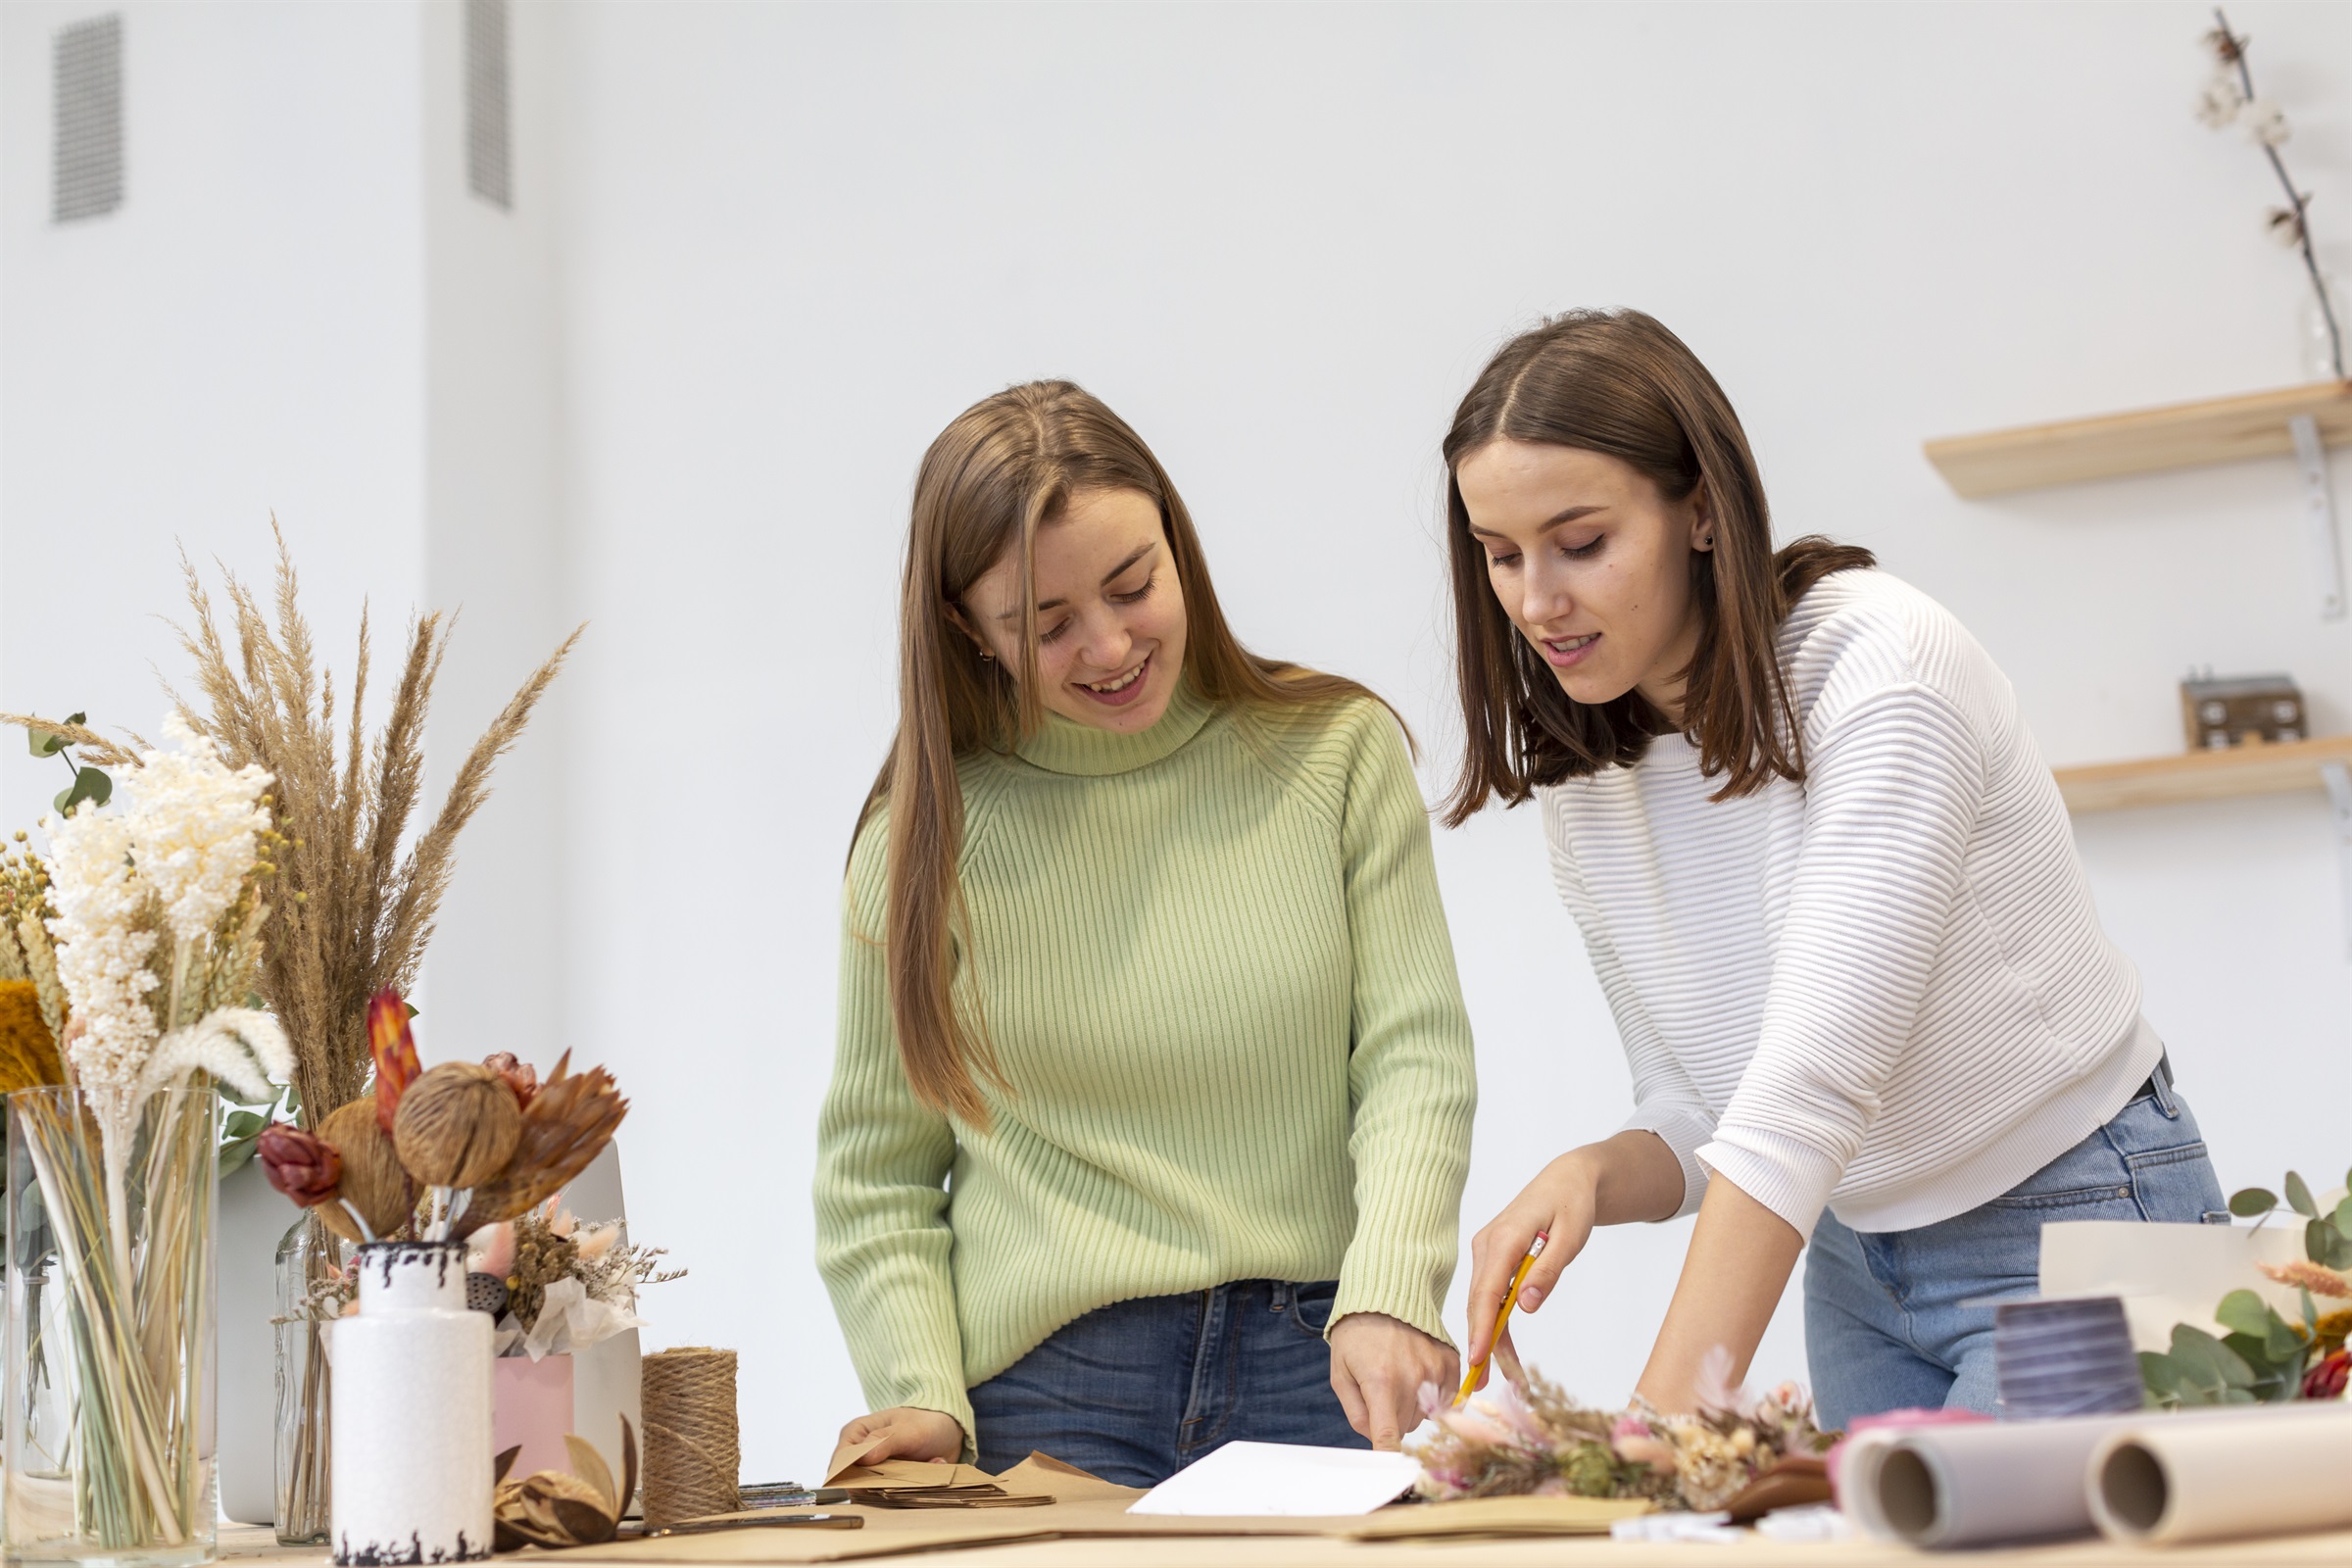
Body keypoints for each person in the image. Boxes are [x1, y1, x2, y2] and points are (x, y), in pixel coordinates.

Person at [1442, 311, 2225, 1429]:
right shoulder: (1591, 781)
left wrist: (1652, 1435)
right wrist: (1595, 1174)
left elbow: (1807, 1095)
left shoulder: (1881, 670)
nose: (1534, 601)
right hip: (1859, 1265)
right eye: (1500, 553)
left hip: (2074, 1221)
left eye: (1581, 542)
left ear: (1701, 510)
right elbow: (1704, 1107)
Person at [814, 381, 1477, 1485]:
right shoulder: (921, 843)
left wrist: (1394, 1289)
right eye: (1047, 623)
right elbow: (875, 1175)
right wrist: (920, 1391)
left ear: (1179, 544)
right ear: (967, 631)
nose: (1111, 644)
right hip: (1047, 1390)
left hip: (1319, 1359)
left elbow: (1415, 1058)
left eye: (1134, 585)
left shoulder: (1335, 752)